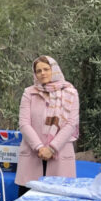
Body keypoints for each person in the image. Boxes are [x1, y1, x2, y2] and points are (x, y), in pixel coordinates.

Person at [16, 55, 80, 190]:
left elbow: (71, 124)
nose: (42, 73)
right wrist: (40, 147)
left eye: (46, 69)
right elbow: (24, 123)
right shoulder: (29, 93)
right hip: (33, 157)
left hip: (59, 157)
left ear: (54, 70)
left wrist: (51, 149)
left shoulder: (71, 93)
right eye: (38, 71)